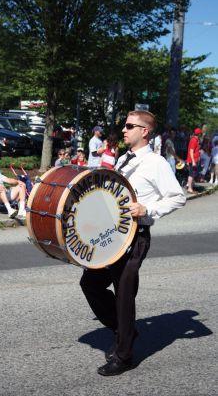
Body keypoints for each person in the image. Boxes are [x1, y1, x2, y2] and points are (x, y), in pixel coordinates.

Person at [80, 110, 186, 376]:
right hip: (111, 235)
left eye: (129, 126)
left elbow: (177, 197)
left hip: (135, 236)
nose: (124, 130)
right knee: (90, 283)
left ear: (144, 131)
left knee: (124, 294)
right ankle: (124, 329)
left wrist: (147, 209)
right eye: (124, 125)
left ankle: (124, 355)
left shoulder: (156, 163)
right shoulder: (124, 159)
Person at [186, 127, 203, 194]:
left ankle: (191, 186)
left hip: (195, 160)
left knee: (193, 174)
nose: (201, 135)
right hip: (192, 161)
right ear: (199, 134)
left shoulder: (196, 140)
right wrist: (193, 161)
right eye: (200, 133)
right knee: (191, 174)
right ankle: (190, 188)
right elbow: (191, 151)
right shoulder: (194, 140)